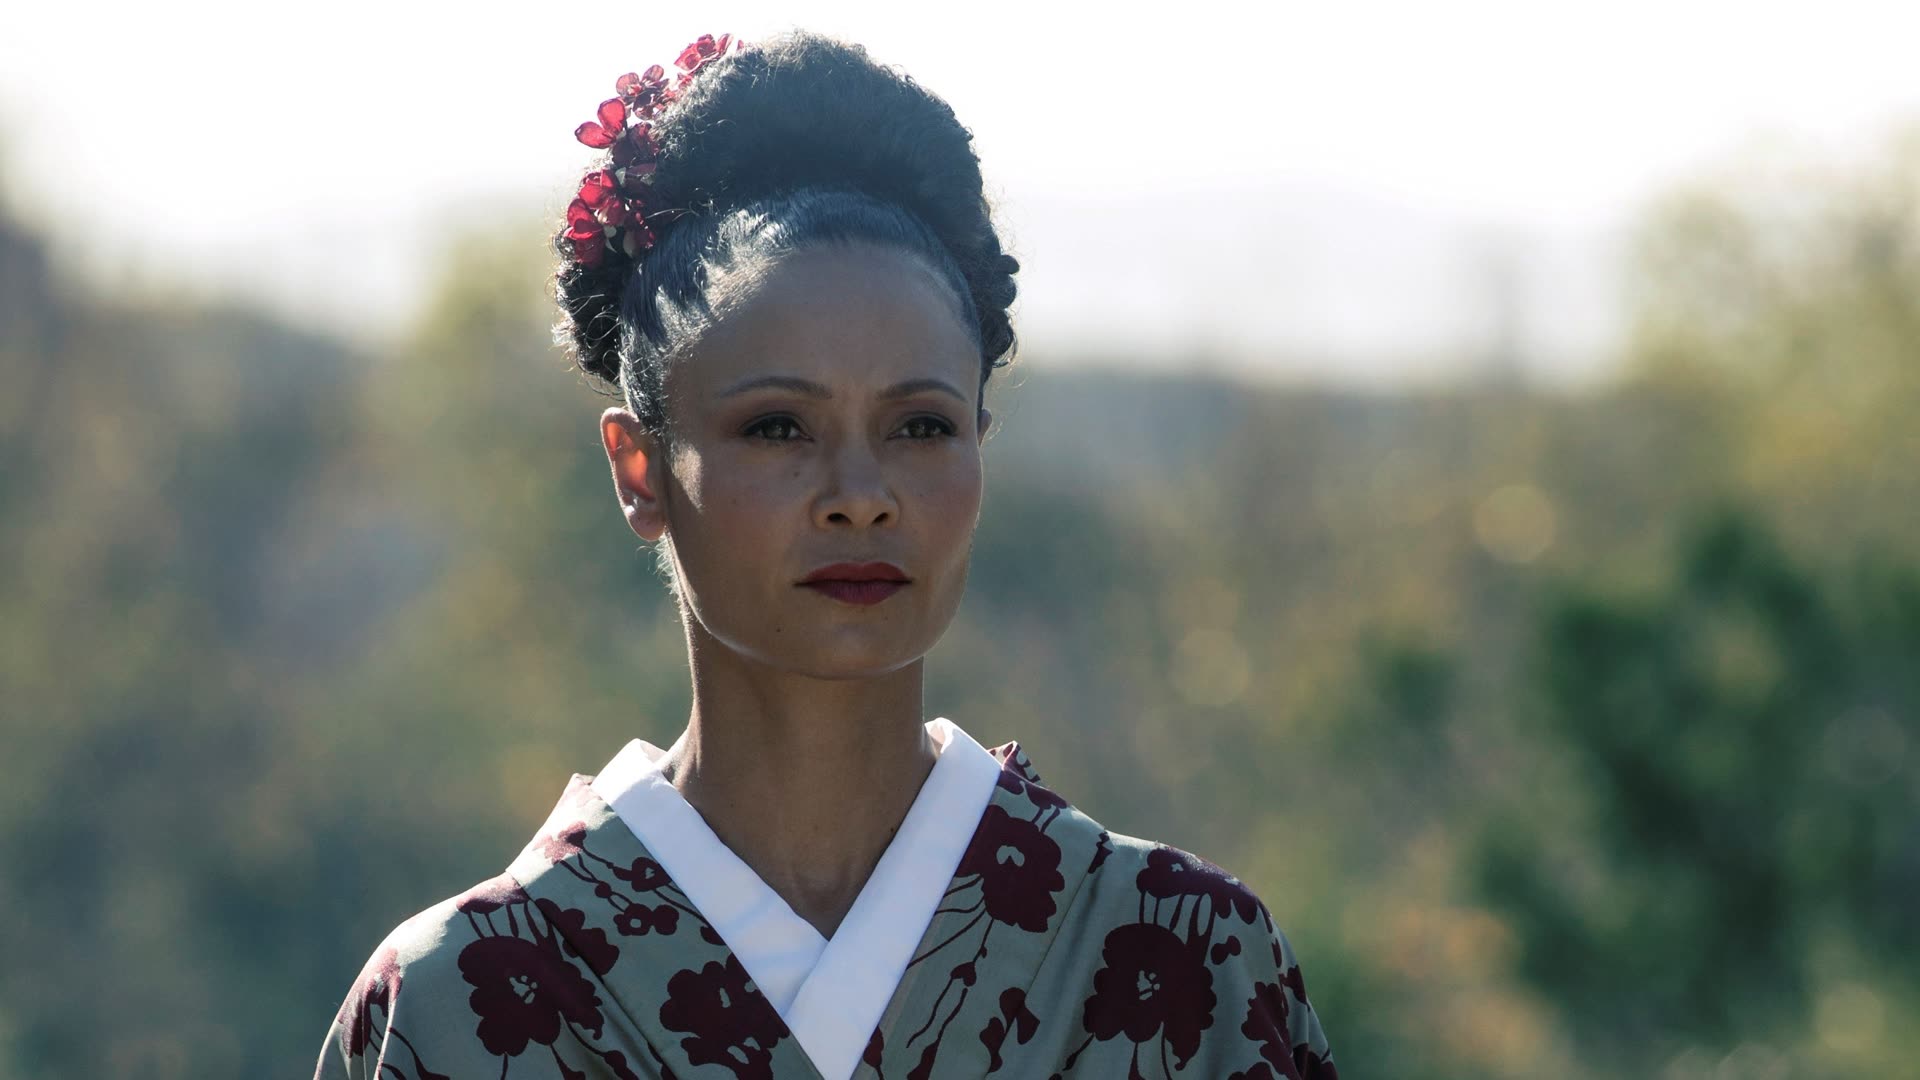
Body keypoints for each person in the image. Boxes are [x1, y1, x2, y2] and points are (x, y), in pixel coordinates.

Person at [313, 29, 1337, 1080]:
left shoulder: (1186, 963)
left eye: (921, 427)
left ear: (980, 445)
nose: (861, 497)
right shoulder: (462, 1004)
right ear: (640, 469)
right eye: (777, 428)